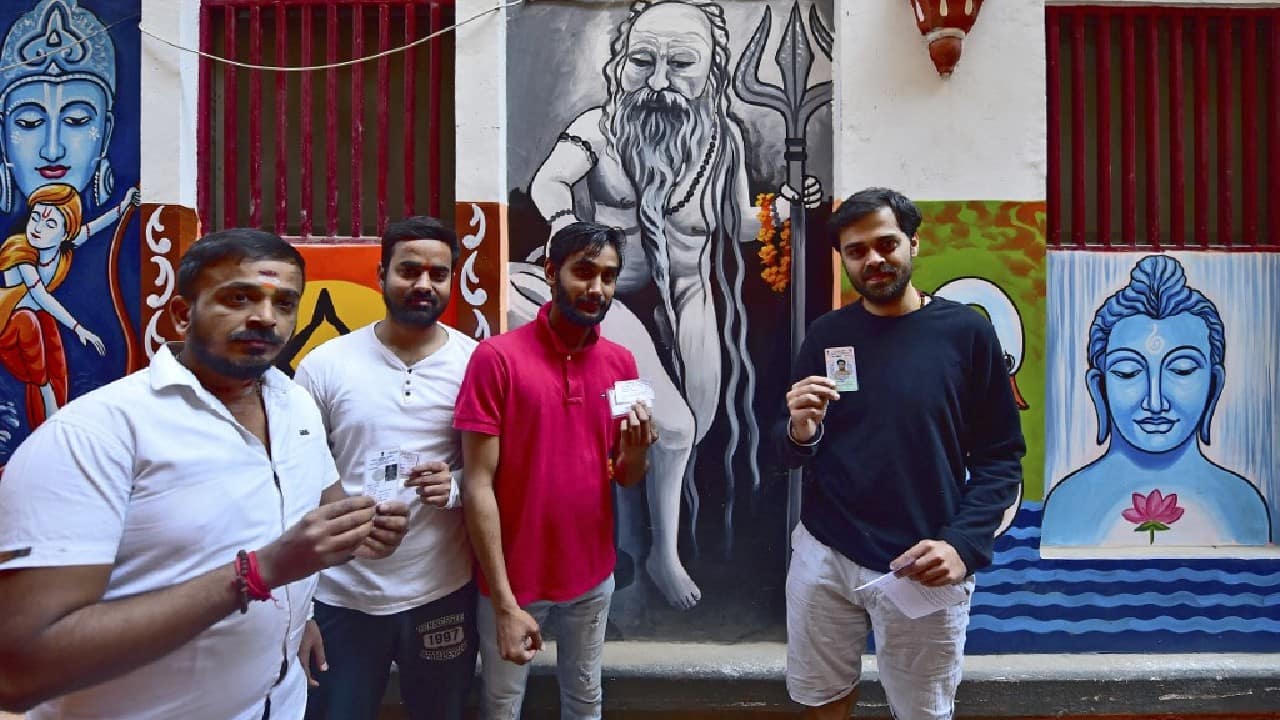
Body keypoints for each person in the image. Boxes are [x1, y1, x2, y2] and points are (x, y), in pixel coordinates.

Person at [0, 228, 410, 719]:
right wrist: (259, 574)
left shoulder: (295, 405)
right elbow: (19, 672)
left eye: (284, 303)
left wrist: (357, 544)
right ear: (181, 313)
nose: (265, 317)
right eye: (239, 298)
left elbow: (321, 513)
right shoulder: (95, 435)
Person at [522, 0, 822, 607]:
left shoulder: (721, 140)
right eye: (644, 60)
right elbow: (547, 182)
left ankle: (638, 539)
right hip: (607, 304)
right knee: (671, 428)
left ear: (710, 70)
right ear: (621, 62)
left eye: (680, 63)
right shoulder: (598, 129)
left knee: (691, 429)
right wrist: (563, 226)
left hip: (687, 297)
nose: (659, 81)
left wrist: (784, 209)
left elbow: (738, 223)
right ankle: (658, 553)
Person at [778, 187, 1024, 720]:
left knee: (922, 712)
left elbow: (1001, 457)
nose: (873, 259)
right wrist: (800, 430)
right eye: (856, 251)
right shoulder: (828, 334)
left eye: (886, 244)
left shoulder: (967, 333)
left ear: (913, 242)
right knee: (821, 701)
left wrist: (963, 545)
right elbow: (790, 452)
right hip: (826, 551)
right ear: (843, 259)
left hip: (923, 561)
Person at [456, 221, 657, 719]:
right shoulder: (496, 359)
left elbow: (627, 475)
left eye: (608, 276)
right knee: (501, 706)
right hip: (512, 584)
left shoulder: (622, 363)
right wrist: (504, 602)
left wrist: (637, 451)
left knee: (585, 702)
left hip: (592, 578)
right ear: (550, 272)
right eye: (583, 272)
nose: (597, 289)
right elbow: (477, 485)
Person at [296, 217, 479, 720]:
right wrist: (301, 610)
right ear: (381, 275)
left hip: (440, 592)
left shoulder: (477, 364)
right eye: (409, 270)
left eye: (438, 274)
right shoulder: (325, 365)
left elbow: (499, 470)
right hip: (342, 597)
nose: (424, 284)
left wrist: (456, 486)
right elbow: (294, 480)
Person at [1041, 254, 1271, 546]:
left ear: (1214, 384)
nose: (1155, 402)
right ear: (1099, 386)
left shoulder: (1242, 508)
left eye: (1182, 369)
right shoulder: (1065, 508)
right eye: (1128, 372)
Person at [0, 183, 140, 429]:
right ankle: (47, 397)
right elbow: (40, 296)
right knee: (30, 319)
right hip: (7, 327)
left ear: (66, 233)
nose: (38, 228)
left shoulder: (61, 249)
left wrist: (124, 205)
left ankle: (50, 414)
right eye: (35, 218)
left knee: (48, 334)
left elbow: (93, 227)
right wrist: (78, 328)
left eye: (50, 224)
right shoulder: (21, 251)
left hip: (34, 325)